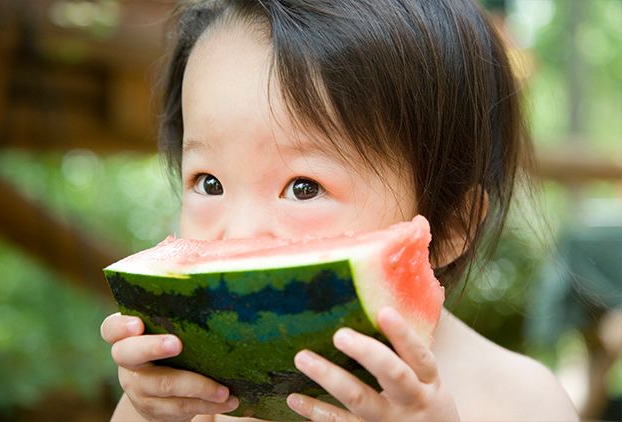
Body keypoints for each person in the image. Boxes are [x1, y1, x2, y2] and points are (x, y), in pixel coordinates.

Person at [100, 0, 579, 420]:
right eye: (210, 183)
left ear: (450, 226)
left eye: (304, 187)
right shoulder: (204, 398)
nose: (238, 233)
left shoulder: (522, 401)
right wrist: (147, 411)